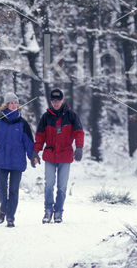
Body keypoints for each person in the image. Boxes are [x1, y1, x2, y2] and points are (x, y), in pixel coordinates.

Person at [0, 92, 35, 228]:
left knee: (13, 190)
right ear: (6, 105)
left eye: (15, 102)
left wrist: (33, 157)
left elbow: (29, 143)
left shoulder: (23, 124)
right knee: (1, 187)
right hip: (1, 161)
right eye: (11, 103)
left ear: (18, 105)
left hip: (17, 162)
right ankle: (3, 209)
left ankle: (10, 217)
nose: (13, 105)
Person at [32, 88, 84, 224]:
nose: (55, 103)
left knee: (62, 186)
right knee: (49, 184)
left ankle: (58, 212)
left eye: (58, 100)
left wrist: (79, 147)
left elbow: (79, 132)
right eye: (53, 101)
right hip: (50, 155)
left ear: (63, 100)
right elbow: (40, 136)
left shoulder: (71, 116)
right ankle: (48, 211)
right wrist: (35, 152)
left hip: (65, 156)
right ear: (51, 101)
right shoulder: (46, 117)